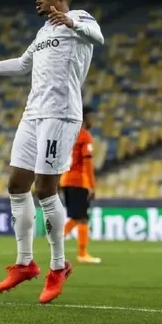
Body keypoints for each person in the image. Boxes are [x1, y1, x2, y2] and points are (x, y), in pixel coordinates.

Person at [0, 0, 104, 304]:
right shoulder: (43, 32)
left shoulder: (80, 18)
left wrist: (71, 22)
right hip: (32, 114)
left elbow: (98, 36)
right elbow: (21, 63)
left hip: (60, 114)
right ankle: (25, 263)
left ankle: (58, 267)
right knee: (17, 184)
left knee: (45, 189)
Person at [61, 106, 101, 263]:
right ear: (85, 118)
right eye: (91, 117)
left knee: (78, 217)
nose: (93, 121)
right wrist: (92, 185)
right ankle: (82, 254)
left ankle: (58, 239)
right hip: (78, 181)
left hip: (66, 180)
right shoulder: (84, 136)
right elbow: (87, 164)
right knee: (82, 217)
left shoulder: (68, 134)